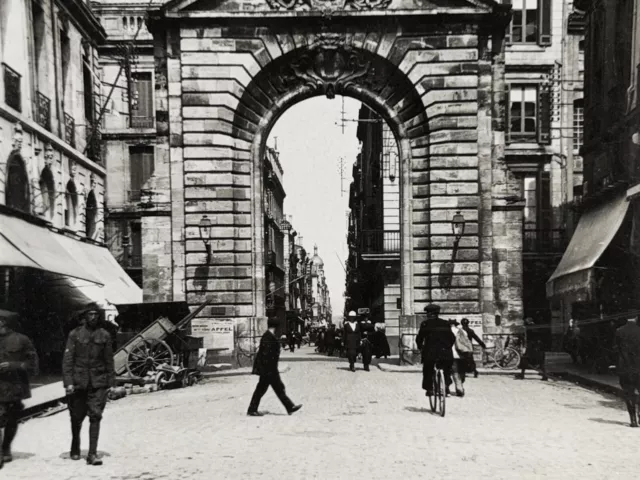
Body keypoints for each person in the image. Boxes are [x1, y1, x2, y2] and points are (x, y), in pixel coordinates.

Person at [62, 304, 115, 466]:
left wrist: (111, 383)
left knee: (96, 415)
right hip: (78, 383)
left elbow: (109, 361)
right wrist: (69, 382)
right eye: (90, 315)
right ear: (85, 317)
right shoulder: (75, 335)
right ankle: (75, 444)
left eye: (96, 315)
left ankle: (92, 454)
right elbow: (68, 360)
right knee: (76, 417)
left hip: (98, 382)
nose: (93, 317)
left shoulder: (104, 335)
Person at [0, 310, 38, 470]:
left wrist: (14, 365)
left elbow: (33, 364)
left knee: (11, 419)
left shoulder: (21, 340)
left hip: (14, 386)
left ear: (4, 322)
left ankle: (6, 447)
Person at [247, 317, 302, 416]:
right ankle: (252, 409)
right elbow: (266, 356)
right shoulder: (268, 337)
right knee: (271, 389)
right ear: (276, 327)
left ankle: (289, 407)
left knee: (274, 388)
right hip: (269, 370)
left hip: (269, 369)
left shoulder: (268, 336)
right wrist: (270, 370)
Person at [416, 304, 456, 396]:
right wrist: (448, 347)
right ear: (438, 313)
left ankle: (429, 389)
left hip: (430, 353)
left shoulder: (425, 324)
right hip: (445, 352)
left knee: (428, 369)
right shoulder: (446, 323)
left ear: (428, 314)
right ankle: (446, 386)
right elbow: (452, 338)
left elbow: (419, 339)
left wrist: (420, 348)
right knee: (447, 369)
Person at [614, 315, 640, 427]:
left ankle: (633, 420)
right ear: (636, 317)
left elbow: (615, 349)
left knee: (629, 393)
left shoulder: (619, 331)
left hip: (625, 367)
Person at [451, 320, 472, 397]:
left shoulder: (446, 331)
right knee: (461, 371)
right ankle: (460, 385)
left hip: (452, 354)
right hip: (463, 353)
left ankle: (459, 388)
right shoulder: (462, 331)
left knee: (455, 371)